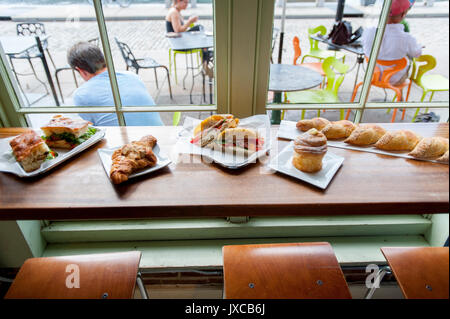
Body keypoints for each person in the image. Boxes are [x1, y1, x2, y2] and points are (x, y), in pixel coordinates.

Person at [68, 41, 164, 126]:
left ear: (80, 70)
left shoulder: (82, 95)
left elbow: (89, 131)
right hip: (160, 138)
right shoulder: (132, 76)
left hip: (125, 143)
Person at [362, 0, 422, 85]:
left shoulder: (368, 31)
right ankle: (400, 97)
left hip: (372, 75)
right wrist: (419, 47)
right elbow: (416, 54)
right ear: (403, 14)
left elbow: (364, 47)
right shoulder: (407, 38)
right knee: (408, 60)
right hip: (395, 79)